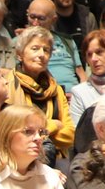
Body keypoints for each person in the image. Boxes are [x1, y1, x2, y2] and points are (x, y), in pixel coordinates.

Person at [6, 25, 74, 155]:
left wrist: (39, 132)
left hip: (54, 158)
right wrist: (55, 125)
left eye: (46, 50)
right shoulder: (8, 85)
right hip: (18, 157)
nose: (41, 54)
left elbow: (70, 136)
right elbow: (14, 132)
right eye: (35, 49)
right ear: (19, 55)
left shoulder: (56, 90)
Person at [68, 30, 105, 128]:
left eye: (99, 52)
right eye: (89, 54)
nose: (94, 59)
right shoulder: (79, 93)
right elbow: (79, 133)